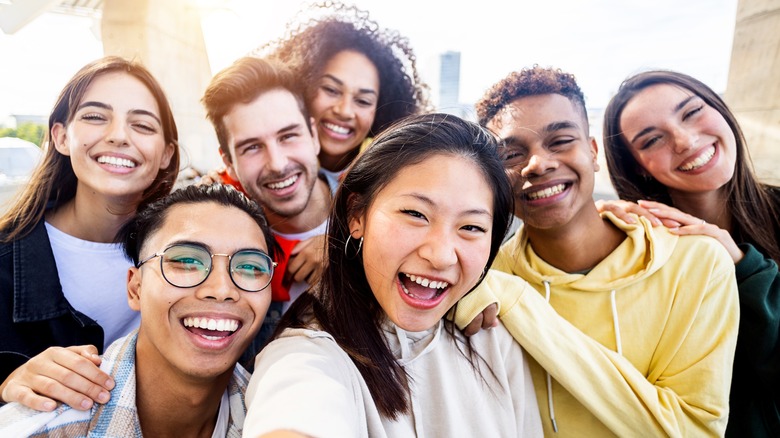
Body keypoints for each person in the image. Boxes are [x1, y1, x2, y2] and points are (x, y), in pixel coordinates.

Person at [454, 66, 739, 436]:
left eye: (560, 141)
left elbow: (693, 429)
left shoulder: (698, 264)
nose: (538, 164)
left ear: (592, 152)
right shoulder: (480, 286)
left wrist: (520, 303)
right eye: (511, 154)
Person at [243, 113, 543, 437]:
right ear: (356, 214)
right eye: (415, 214)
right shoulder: (307, 355)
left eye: (471, 227)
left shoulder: (495, 338)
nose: (441, 256)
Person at [0, 183, 277, 436]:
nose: (221, 289)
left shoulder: (278, 419)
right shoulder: (40, 427)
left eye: (250, 267)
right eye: (185, 261)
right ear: (135, 288)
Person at [600, 70, 780, 437]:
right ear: (638, 166)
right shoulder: (639, 251)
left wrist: (743, 267)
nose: (684, 140)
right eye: (652, 140)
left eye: (692, 111)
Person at [0, 56, 179, 410]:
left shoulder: (191, 251)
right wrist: (7, 383)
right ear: (61, 136)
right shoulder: (5, 261)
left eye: (142, 125)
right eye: (95, 117)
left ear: (166, 154)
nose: (118, 136)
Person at [201, 56, 335, 359]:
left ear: (314, 136)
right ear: (229, 164)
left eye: (288, 136)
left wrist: (347, 250)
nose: (277, 163)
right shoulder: (212, 239)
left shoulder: (373, 210)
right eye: (252, 147)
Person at [255, 0, 430, 187]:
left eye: (363, 101)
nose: (345, 111)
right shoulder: (261, 170)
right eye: (331, 90)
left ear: (380, 111)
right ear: (301, 86)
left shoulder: (389, 182)